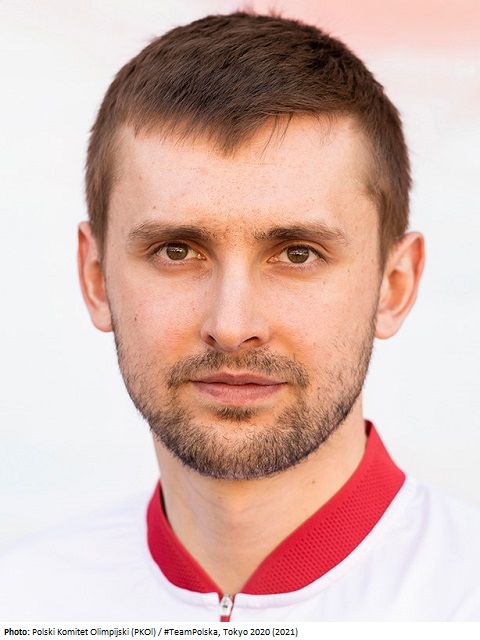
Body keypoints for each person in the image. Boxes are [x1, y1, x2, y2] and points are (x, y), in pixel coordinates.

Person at [2, 11, 480, 622]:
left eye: (298, 254)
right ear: (96, 278)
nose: (231, 326)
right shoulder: (21, 602)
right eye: (176, 251)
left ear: (394, 286)